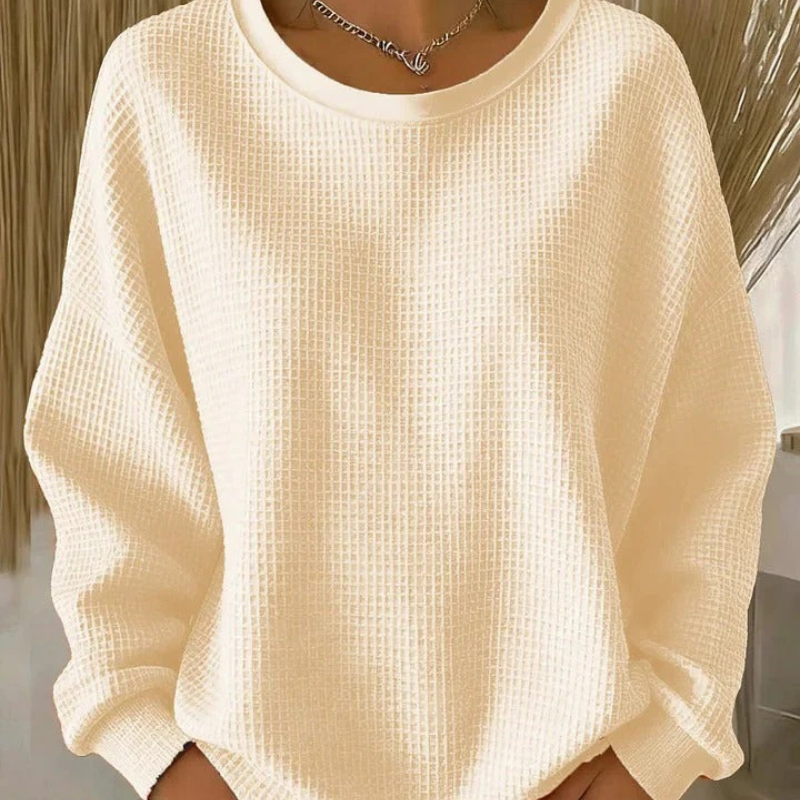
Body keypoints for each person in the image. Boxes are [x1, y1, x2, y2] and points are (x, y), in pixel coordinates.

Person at [23, 0, 777, 799]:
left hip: (566, 770)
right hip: (251, 777)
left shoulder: (623, 77)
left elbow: (705, 451)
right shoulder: (168, 79)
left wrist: (656, 751)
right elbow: (116, 461)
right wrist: (157, 749)